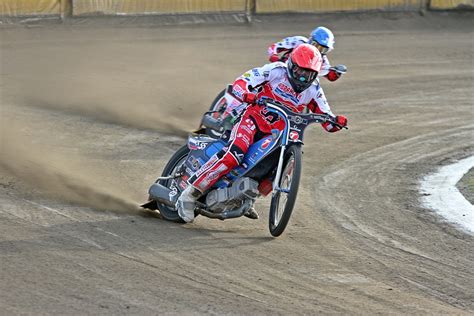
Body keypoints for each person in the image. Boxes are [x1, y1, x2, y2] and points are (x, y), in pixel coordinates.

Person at [177, 44, 348, 223]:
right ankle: (189, 194)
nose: (304, 78)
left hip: (276, 133)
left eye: (310, 74)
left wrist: (336, 122)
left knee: (276, 170)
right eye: (300, 72)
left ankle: (247, 198)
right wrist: (246, 94)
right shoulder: (275, 71)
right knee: (234, 154)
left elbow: (328, 121)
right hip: (251, 120)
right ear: (291, 65)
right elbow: (242, 82)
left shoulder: (314, 90)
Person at [267, 26, 345, 82]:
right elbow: (274, 47)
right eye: (317, 46)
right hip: (282, 71)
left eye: (323, 49)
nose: (318, 50)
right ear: (311, 40)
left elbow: (329, 75)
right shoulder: (299, 41)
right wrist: (275, 57)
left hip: (301, 83)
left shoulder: (322, 59)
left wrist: (336, 73)